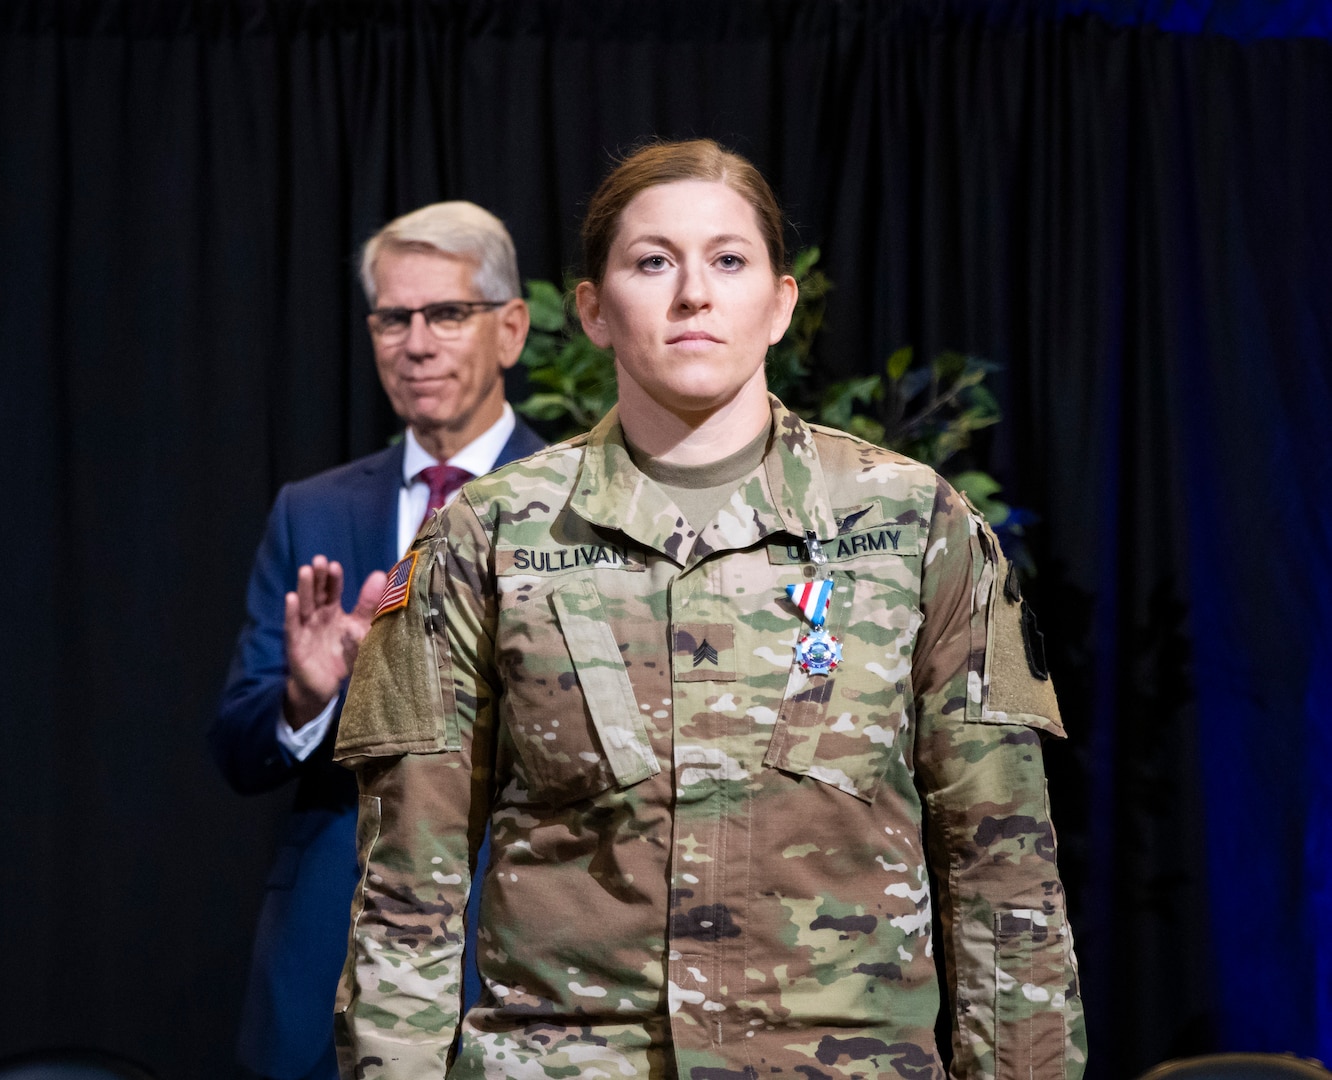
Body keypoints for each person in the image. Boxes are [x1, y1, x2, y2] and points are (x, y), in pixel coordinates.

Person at [334, 140, 1087, 1079]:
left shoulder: (914, 526)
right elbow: (408, 898)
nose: (693, 293)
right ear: (594, 311)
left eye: (729, 260)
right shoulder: (484, 539)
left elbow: (1005, 882)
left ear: (779, 304)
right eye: (653, 262)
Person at [210, 200, 546, 1080]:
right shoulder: (315, 509)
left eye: (446, 314)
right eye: (394, 318)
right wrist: (309, 697)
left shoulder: (574, 503)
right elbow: (240, 750)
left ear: (510, 329)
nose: (416, 342)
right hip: (330, 945)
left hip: (520, 944)